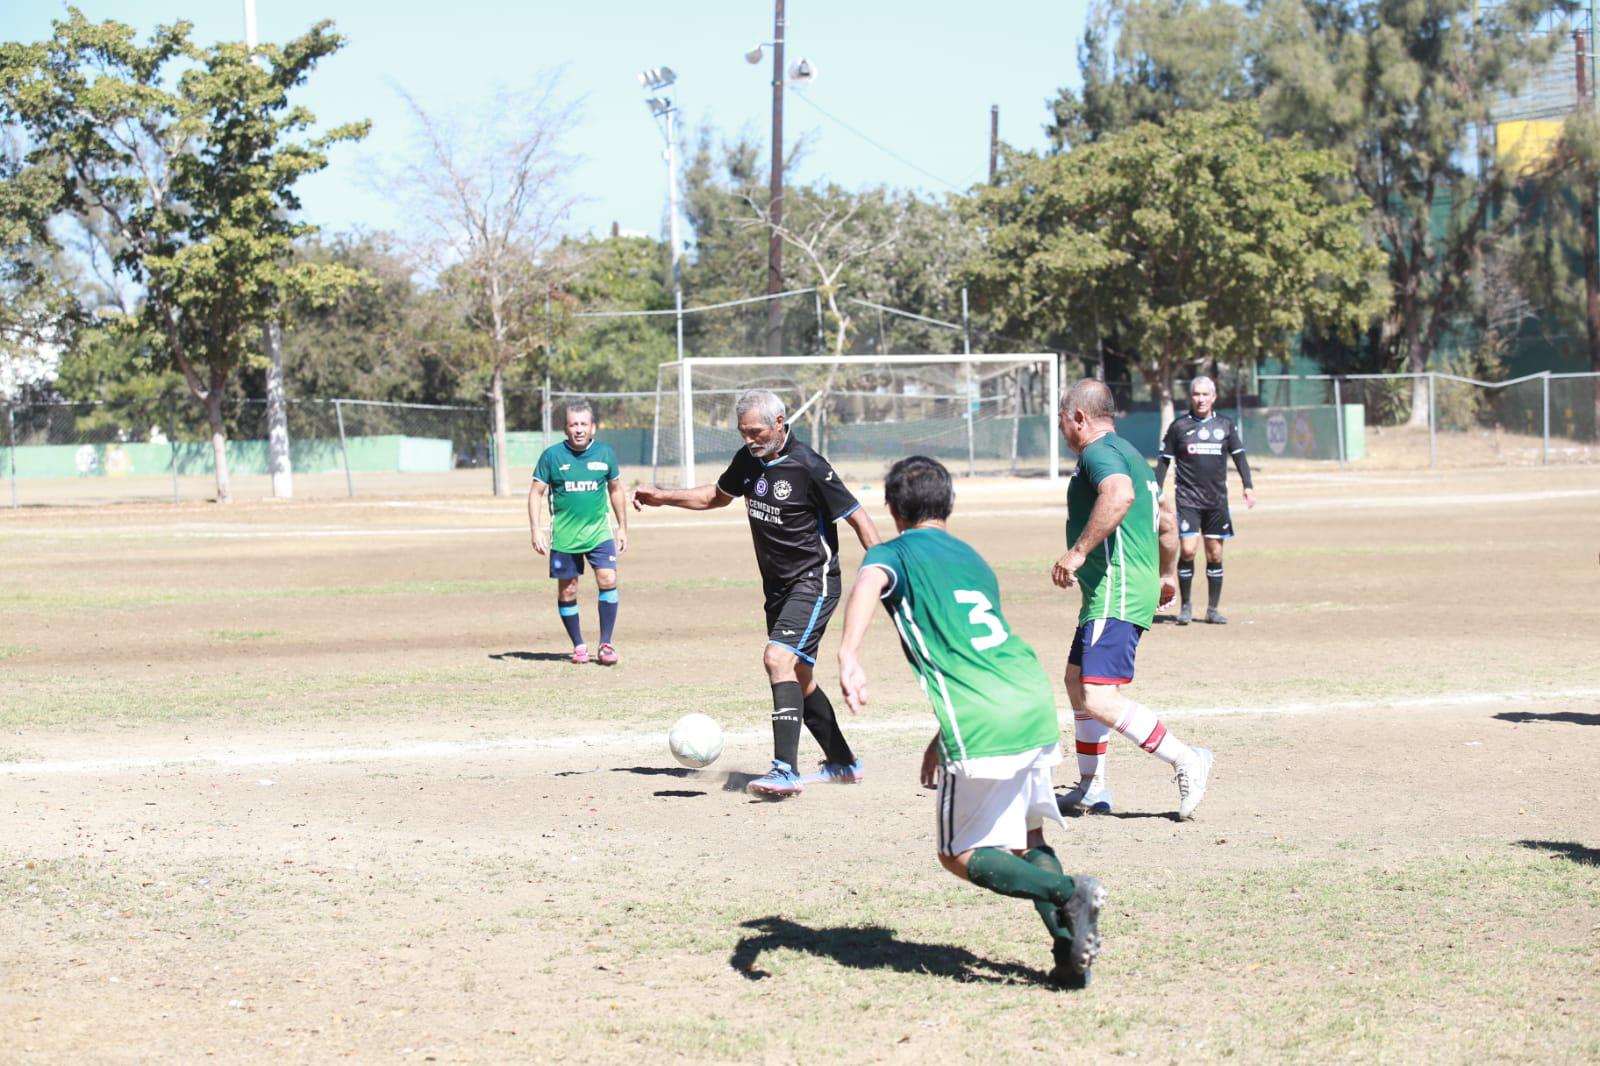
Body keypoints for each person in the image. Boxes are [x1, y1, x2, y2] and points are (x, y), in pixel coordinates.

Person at [837, 455, 1105, 989]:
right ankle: (1068, 952)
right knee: (1027, 837)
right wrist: (940, 736)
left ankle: (1067, 892)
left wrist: (848, 654)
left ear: (891, 508)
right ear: (948, 504)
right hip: (1029, 697)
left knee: (958, 853)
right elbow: (975, 647)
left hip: (982, 715)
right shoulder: (972, 558)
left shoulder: (892, 552)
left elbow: (869, 581)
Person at [632, 388, 881, 798]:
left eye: (756, 432)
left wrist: (889, 568)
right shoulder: (749, 460)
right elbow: (715, 496)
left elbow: (858, 519)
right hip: (778, 588)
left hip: (813, 581)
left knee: (777, 658)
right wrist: (662, 497)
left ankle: (785, 771)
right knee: (799, 677)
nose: (749, 440)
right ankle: (843, 762)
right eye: (743, 432)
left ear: (780, 424)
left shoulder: (810, 467)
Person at [1054, 379, 1214, 820]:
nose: (1063, 431)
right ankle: (1091, 787)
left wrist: (1078, 550)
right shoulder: (1136, 459)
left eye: (1063, 421)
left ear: (1080, 418)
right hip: (1124, 586)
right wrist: (1165, 572)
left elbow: (1119, 496)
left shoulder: (1098, 454)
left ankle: (1187, 759)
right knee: (1076, 680)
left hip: (1117, 589)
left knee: (1100, 697)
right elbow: (1166, 518)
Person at [529, 401, 628, 665]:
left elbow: (616, 490)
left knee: (608, 579)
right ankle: (578, 645)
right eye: (574, 424)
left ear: (593, 427)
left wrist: (622, 528)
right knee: (568, 590)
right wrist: (536, 529)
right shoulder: (551, 456)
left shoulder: (605, 454)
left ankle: (606, 644)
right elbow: (536, 493)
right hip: (564, 537)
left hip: (599, 533)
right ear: (565, 428)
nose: (579, 429)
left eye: (584, 424)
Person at [1153, 375, 1256, 625]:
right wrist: (1154, 489)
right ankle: (1186, 607)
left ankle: (1212, 609)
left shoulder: (1225, 425)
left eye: (1205, 394)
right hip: (1188, 499)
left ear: (1213, 397)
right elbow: (1165, 461)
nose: (1200, 399)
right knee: (1188, 549)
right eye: (1196, 394)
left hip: (1217, 501)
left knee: (1215, 555)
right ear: (1191, 397)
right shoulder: (1179, 427)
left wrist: (1248, 486)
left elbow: (1239, 457)